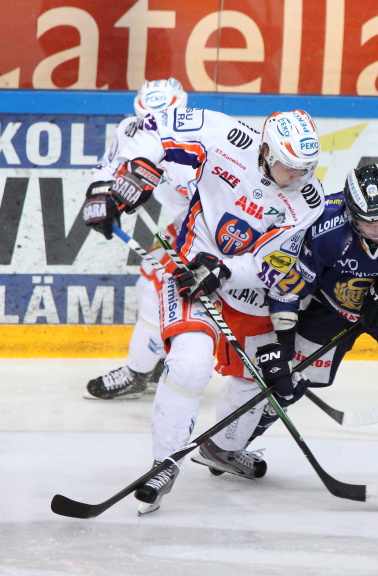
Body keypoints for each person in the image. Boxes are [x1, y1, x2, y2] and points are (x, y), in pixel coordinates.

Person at [193, 163, 378, 526]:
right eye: (368, 222)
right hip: (333, 308)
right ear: (350, 214)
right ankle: (227, 446)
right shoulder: (322, 224)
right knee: (287, 380)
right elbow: (288, 283)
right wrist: (283, 342)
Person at [103, 105, 325, 514]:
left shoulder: (308, 201)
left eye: (306, 168)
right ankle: (163, 463)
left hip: (247, 291)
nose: (299, 177)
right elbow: (151, 130)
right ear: (266, 152)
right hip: (190, 271)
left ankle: (220, 449)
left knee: (257, 381)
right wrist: (121, 182)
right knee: (189, 365)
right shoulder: (226, 136)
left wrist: (223, 269)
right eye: (290, 167)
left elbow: (269, 264)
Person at [82, 78, 195, 400]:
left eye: (164, 121)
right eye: (150, 121)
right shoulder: (131, 129)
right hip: (183, 222)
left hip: (209, 226)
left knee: (159, 286)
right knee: (150, 284)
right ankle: (153, 360)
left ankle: (139, 369)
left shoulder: (201, 139)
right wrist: (102, 197)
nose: (156, 128)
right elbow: (109, 166)